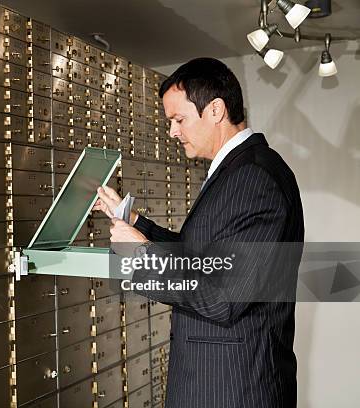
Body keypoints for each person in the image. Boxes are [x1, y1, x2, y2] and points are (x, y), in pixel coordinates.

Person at [94, 57, 304, 408]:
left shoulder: (252, 177)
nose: (172, 132)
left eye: (179, 119)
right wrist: (135, 224)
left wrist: (143, 255)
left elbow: (223, 295)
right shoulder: (240, 170)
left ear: (216, 110)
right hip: (223, 382)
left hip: (232, 389)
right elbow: (205, 258)